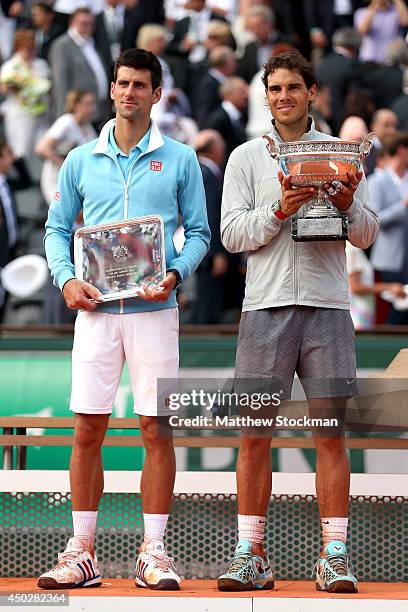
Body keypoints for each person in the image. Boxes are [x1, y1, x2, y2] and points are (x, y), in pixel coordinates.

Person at [39, 48, 210, 590]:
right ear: (111, 90)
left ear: (157, 94)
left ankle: (154, 552)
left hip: (156, 311)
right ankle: (83, 552)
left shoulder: (182, 158)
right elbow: (56, 229)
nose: (130, 92)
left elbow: (201, 235)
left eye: (141, 84)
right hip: (95, 312)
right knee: (88, 428)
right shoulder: (79, 159)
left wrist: (176, 273)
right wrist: (67, 280)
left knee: (155, 429)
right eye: (122, 83)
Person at [219, 50, 379, 593]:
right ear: (265, 95)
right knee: (253, 435)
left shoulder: (344, 154)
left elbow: (367, 233)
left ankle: (334, 555)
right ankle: (250, 555)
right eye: (275, 88)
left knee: (330, 435)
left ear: (312, 92)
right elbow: (233, 235)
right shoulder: (245, 158)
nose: (283, 96)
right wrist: (280, 210)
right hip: (263, 309)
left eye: (293, 87)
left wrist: (349, 202)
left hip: (328, 307)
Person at [368, 131, 408, 324]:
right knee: (393, 316)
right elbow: (375, 219)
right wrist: (403, 206)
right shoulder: (378, 182)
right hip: (388, 261)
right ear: (401, 151)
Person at [35, 89, 97, 205]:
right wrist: (65, 165)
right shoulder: (67, 121)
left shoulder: (88, 128)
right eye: (88, 104)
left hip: (78, 184)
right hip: (56, 180)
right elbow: (42, 148)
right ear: (76, 105)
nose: (92, 109)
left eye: (93, 104)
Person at [0, 29, 51, 159]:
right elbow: (4, 89)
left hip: (42, 115)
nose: (30, 51)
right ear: (18, 47)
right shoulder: (9, 67)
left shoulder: (41, 64)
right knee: (20, 153)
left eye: (32, 47)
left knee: (41, 151)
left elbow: (48, 86)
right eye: (27, 48)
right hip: (20, 116)